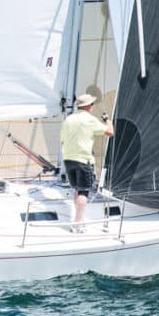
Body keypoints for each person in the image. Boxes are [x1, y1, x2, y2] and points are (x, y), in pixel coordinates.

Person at [59, 93, 114, 233]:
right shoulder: (90, 119)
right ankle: (77, 224)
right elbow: (110, 132)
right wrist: (107, 120)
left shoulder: (68, 120)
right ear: (89, 106)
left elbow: (62, 141)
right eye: (92, 104)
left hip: (68, 160)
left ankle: (79, 219)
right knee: (83, 191)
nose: (93, 106)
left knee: (77, 190)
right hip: (83, 160)